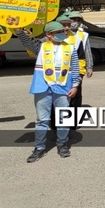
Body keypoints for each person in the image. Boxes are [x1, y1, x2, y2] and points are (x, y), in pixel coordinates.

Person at [15, 21, 83, 162]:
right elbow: (28, 43)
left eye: (63, 31)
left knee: (64, 119)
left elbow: (75, 68)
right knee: (42, 120)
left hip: (63, 87)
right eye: (59, 32)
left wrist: (75, 85)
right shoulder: (40, 46)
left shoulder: (71, 48)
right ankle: (39, 148)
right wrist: (19, 31)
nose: (63, 33)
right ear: (49, 35)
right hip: (42, 87)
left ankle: (62, 145)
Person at [64, 11, 94, 112]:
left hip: (79, 68)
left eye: (78, 20)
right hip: (65, 67)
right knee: (65, 91)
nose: (75, 22)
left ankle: (75, 116)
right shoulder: (63, 33)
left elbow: (87, 51)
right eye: (73, 20)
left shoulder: (84, 35)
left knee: (77, 91)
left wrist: (89, 66)